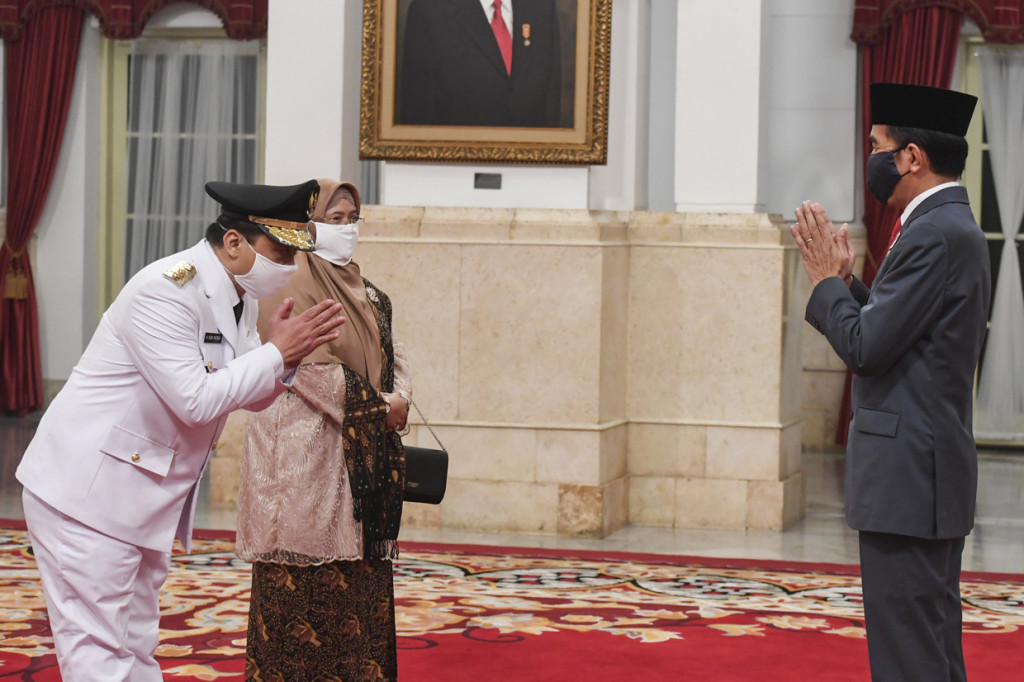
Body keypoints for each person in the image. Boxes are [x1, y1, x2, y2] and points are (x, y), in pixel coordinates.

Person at [17, 179, 347, 681]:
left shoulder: (236, 298)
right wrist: (274, 351)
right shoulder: (165, 291)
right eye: (279, 251)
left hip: (138, 495)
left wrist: (284, 357)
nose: (289, 266)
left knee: (135, 643)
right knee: (96, 653)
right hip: (85, 495)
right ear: (234, 242)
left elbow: (244, 396)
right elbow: (196, 401)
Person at [790, 82, 990, 681]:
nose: (871, 157)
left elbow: (867, 348)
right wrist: (851, 289)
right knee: (928, 647)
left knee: (909, 656)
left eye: (878, 145)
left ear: (911, 157)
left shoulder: (933, 231)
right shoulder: (946, 223)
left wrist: (825, 282)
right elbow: (904, 334)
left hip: (909, 479)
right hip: (922, 475)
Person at [236, 179, 410, 681]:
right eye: (334, 219)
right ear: (307, 226)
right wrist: (380, 407)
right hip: (298, 465)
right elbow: (310, 370)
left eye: (352, 218)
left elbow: (394, 356)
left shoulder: (365, 289)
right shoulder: (286, 284)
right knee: (299, 601)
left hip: (356, 468)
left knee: (358, 595)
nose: (346, 229)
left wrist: (399, 398)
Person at [397, 0, 562, 127]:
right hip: (455, 164)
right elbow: (418, 114)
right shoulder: (429, 10)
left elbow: (551, 100)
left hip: (533, 165)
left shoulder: (542, 7)